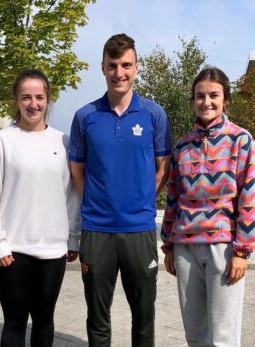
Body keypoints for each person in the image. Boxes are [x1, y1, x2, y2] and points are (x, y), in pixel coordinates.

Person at [68, 33, 172, 346]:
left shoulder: (154, 115)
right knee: (97, 319)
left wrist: (139, 201)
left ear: (136, 67)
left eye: (126, 65)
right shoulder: (85, 117)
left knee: (144, 317)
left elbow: (162, 168)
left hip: (139, 231)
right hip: (96, 232)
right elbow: (76, 170)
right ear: (102, 68)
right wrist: (100, 203)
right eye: (112, 65)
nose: (119, 72)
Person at [0, 69, 80, 347]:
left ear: (48, 99)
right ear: (16, 100)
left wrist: (73, 237)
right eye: (26, 97)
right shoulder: (0, 142)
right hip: (12, 251)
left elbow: (71, 195)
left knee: (45, 320)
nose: (33, 104)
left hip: (53, 250)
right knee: (16, 321)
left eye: (39, 97)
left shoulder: (64, 142)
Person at [161, 67, 255, 347]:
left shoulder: (242, 141)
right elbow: (173, 198)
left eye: (213, 95)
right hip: (185, 248)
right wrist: (168, 245)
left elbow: (250, 198)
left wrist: (242, 251)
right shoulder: (182, 146)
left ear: (225, 99)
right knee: (195, 335)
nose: (206, 102)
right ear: (193, 100)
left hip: (224, 248)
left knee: (223, 337)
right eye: (200, 96)